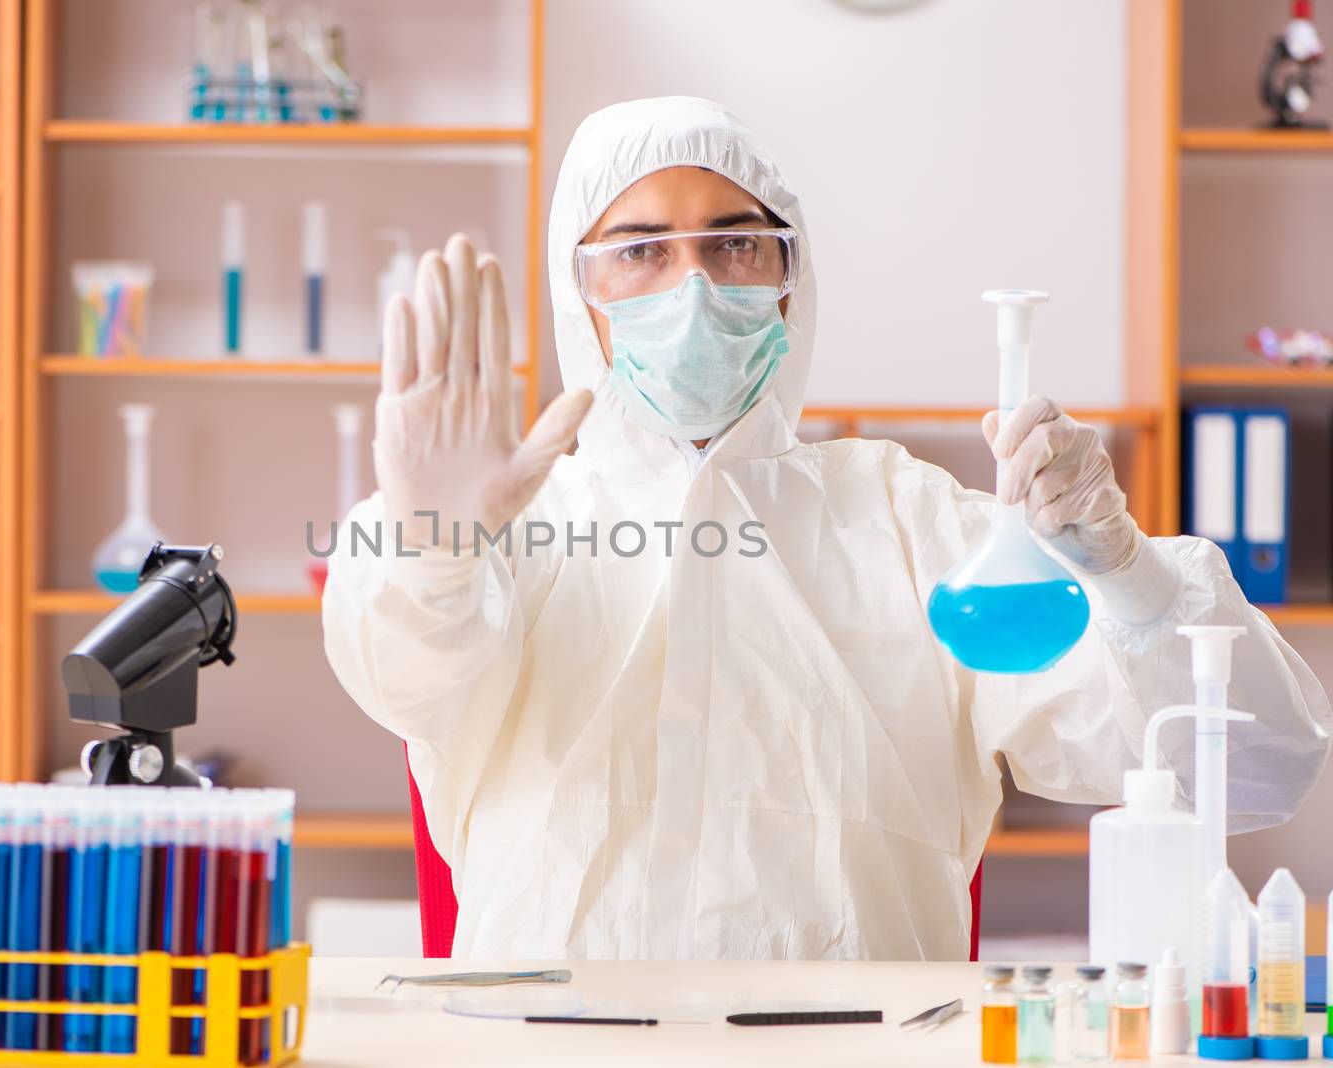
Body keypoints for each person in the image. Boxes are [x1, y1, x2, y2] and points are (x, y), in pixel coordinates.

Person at [321, 97, 1331, 960]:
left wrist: (1126, 574)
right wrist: (425, 544)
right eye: (638, 250)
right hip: (553, 1044)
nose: (695, 285)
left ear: (787, 279)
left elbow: (1250, 770)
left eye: (734, 242)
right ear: (577, 292)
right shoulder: (511, 524)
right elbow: (406, 674)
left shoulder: (911, 523)